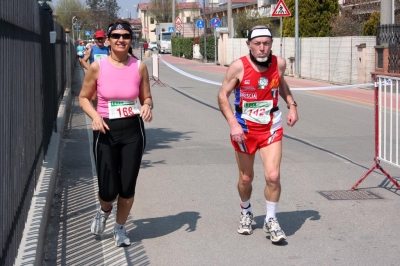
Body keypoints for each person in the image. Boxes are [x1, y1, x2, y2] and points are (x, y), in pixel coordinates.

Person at [217, 26, 299, 243]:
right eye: (257, 43)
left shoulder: (279, 64)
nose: (262, 48)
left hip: (271, 127)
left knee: (273, 176)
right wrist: (233, 124)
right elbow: (222, 96)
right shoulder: (238, 67)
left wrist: (291, 105)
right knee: (246, 178)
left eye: (266, 43)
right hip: (244, 130)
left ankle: (271, 219)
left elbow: (280, 83)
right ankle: (246, 211)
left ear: (271, 44)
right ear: (249, 45)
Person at [78, 19, 153, 247]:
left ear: (131, 41)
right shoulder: (97, 66)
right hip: (106, 130)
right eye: (117, 36)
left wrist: (148, 105)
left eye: (126, 36)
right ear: (109, 40)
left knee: (127, 187)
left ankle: (120, 228)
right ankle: (104, 209)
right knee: (108, 190)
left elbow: (146, 97)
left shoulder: (139, 66)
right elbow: (83, 98)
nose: (121, 40)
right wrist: (96, 116)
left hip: (132, 131)